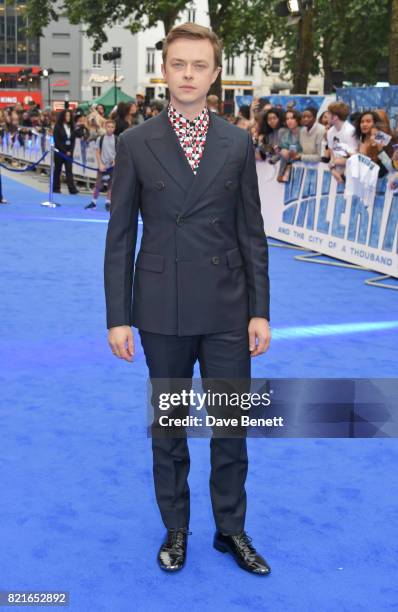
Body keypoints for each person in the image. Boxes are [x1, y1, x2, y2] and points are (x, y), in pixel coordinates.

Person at [104, 22, 271, 575]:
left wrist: (259, 309)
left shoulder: (237, 142)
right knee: (169, 429)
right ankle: (175, 528)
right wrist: (118, 318)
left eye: (200, 66)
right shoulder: (134, 143)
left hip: (227, 307)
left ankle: (231, 530)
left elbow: (252, 232)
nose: (189, 75)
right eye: (180, 64)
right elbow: (120, 235)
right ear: (164, 70)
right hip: (161, 310)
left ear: (215, 74)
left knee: (231, 428)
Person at [85, 119, 117, 211]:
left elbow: (118, 153)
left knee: (111, 185)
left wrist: (115, 161)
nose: (110, 129)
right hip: (102, 166)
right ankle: (93, 202)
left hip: (113, 167)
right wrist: (100, 164)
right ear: (105, 127)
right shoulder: (100, 138)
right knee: (98, 184)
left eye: (112, 127)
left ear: (114, 128)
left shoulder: (117, 139)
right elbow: (98, 152)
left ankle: (108, 202)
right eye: (108, 127)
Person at [327, 101, 358, 183]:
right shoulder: (330, 132)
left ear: (335, 117)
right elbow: (332, 155)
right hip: (337, 174)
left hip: (351, 176)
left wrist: (336, 162)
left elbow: (355, 158)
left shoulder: (350, 131)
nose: (326, 116)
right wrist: (333, 170)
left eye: (329, 113)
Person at [52, 109, 79, 194]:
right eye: (66, 115)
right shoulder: (58, 126)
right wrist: (64, 151)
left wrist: (70, 150)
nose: (68, 117)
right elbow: (56, 140)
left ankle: (72, 188)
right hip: (59, 152)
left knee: (69, 170)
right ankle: (56, 188)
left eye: (69, 116)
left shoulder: (72, 127)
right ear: (63, 116)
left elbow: (73, 140)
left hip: (69, 152)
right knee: (58, 170)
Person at [277, 109, 302, 182]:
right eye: (287, 119)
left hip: (304, 164)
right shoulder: (285, 134)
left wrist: (294, 154)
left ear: (297, 119)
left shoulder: (304, 132)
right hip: (291, 166)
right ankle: (282, 174)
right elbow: (284, 151)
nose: (289, 121)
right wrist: (280, 150)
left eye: (292, 118)